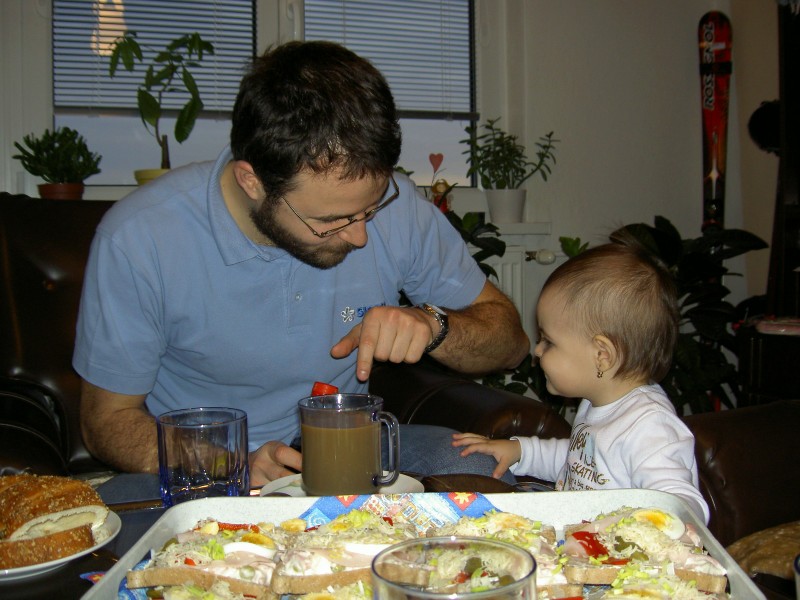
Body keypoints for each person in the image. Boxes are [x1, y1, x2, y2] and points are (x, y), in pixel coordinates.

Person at [73, 40, 529, 487]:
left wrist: (436, 326)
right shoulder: (140, 237)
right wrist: (229, 463)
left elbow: (510, 344)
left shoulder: (400, 210)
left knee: (483, 471)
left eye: (371, 209)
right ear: (252, 182)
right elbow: (106, 421)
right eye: (330, 221)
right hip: (207, 464)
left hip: (344, 446)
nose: (360, 236)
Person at [453, 237, 710, 523]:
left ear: (602, 355)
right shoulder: (597, 402)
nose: (537, 351)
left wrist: (659, 523)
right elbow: (578, 461)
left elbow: (682, 502)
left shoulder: (650, 426)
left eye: (548, 341)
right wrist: (521, 451)